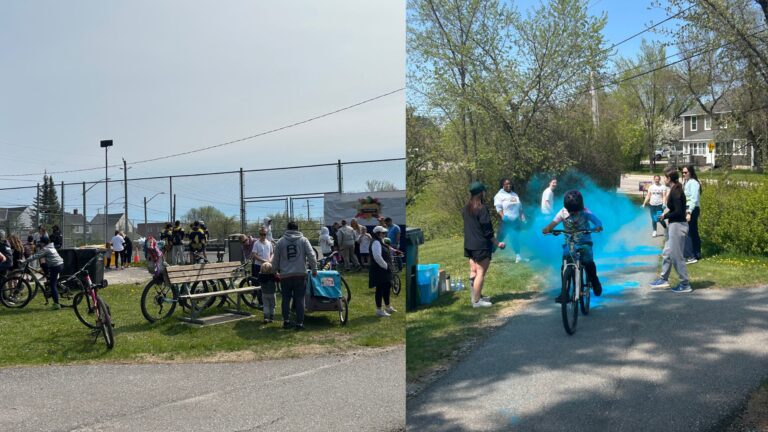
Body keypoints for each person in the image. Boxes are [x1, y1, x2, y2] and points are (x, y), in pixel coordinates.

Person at [542, 190, 604, 302]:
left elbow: (597, 221)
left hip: (584, 242)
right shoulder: (562, 212)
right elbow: (553, 223)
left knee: (588, 262)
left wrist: (598, 227)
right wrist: (547, 229)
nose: (573, 213)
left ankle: (594, 281)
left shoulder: (586, 212)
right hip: (570, 243)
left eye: (576, 211)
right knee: (565, 264)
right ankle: (564, 292)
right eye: (571, 211)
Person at [463, 181, 506, 308]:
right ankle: (477, 301)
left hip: (469, 245)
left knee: (474, 272)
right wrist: (497, 243)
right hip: (481, 245)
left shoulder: (465, 208)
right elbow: (487, 230)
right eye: (484, 191)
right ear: (481, 193)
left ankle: (476, 296)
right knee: (480, 273)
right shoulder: (482, 208)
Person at [650, 167, 692, 293]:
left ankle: (685, 284)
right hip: (673, 225)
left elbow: (679, 212)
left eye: (665, 177)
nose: (663, 179)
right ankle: (664, 279)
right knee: (667, 252)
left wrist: (665, 215)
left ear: (669, 179)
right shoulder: (674, 189)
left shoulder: (676, 192)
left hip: (678, 226)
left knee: (676, 256)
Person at [271, 220, 317, 331]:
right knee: (300, 299)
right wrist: (314, 268)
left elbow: (275, 258)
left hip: (285, 275)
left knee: (286, 299)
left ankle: (286, 321)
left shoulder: (281, 241)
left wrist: (274, 271)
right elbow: (311, 255)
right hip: (300, 274)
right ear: (297, 229)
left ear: (287, 229)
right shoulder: (303, 240)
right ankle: (299, 324)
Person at [25, 235, 65, 310]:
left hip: (55, 266)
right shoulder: (51, 246)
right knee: (51, 279)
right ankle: (51, 289)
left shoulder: (46, 249)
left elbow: (35, 256)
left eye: (41, 243)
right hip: (60, 264)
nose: (40, 244)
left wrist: (25, 261)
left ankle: (56, 304)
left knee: (53, 285)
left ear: (43, 243)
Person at [494, 178, 526, 263]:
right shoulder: (499, 195)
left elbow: (520, 207)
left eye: (510, 184)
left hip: (515, 221)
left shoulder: (514, 194)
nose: (509, 185)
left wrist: (522, 217)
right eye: (506, 184)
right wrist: (503, 216)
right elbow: (498, 208)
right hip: (506, 221)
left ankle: (518, 256)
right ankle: (490, 254)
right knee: (499, 238)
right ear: (502, 185)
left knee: (515, 237)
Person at [369, 225, 396, 317]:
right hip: (379, 270)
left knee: (387, 287)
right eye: (383, 233)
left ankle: (388, 306)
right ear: (378, 233)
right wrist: (386, 266)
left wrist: (394, 251)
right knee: (380, 289)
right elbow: (377, 256)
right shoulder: (376, 242)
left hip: (384, 269)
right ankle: (379, 310)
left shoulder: (380, 241)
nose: (385, 234)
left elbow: (386, 249)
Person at [682, 165, 702, 263]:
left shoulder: (694, 183)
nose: (684, 174)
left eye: (686, 172)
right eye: (683, 172)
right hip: (689, 208)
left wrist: (689, 212)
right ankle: (696, 254)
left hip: (692, 209)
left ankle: (691, 256)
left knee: (689, 232)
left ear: (691, 172)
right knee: (693, 231)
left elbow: (694, 199)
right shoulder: (687, 182)